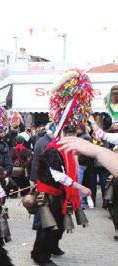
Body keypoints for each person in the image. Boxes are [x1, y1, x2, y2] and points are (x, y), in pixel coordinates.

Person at [31, 69, 93, 266]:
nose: (74, 133)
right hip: (48, 194)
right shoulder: (51, 147)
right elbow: (58, 175)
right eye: (71, 130)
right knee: (48, 226)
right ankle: (40, 256)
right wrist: (80, 187)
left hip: (58, 194)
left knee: (56, 225)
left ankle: (51, 248)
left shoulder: (64, 146)